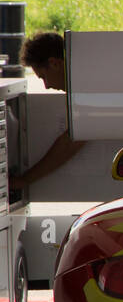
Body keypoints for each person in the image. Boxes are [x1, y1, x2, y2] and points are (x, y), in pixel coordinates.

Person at [8, 32, 84, 193]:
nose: (47, 86)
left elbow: (70, 142)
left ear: (54, 63)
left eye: (43, 76)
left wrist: (24, 180)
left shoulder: (87, 87)